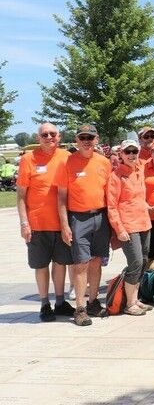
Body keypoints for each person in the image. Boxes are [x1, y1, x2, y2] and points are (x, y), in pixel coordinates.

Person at [16, 123, 75, 322]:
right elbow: (21, 196)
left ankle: (59, 301)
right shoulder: (28, 160)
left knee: (60, 264)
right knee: (41, 265)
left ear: (59, 136)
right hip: (37, 224)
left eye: (52, 134)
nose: (49, 137)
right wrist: (24, 223)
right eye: (44, 134)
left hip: (62, 223)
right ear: (38, 137)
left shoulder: (67, 157)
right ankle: (44, 303)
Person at [56, 124, 112, 326]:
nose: (86, 141)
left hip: (101, 216)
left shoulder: (104, 162)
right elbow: (61, 197)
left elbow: (110, 194)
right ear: (76, 141)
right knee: (81, 264)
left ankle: (93, 302)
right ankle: (80, 308)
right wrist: (65, 225)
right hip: (78, 218)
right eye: (82, 138)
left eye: (90, 137)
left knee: (97, 261)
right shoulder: (67, 163)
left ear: (96, 139)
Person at [106, 139, 152, 316]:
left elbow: (137, 198)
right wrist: (119, 229)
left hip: (144, 223)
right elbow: (112, 206)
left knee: (143, 262)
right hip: (128, 226)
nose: (132, 155)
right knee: (135, 263)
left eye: (134, 151)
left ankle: (134, 299)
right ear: (121, 154)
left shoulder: (139, 170)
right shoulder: (116, 176)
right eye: (128, 152)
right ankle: (128, 304)